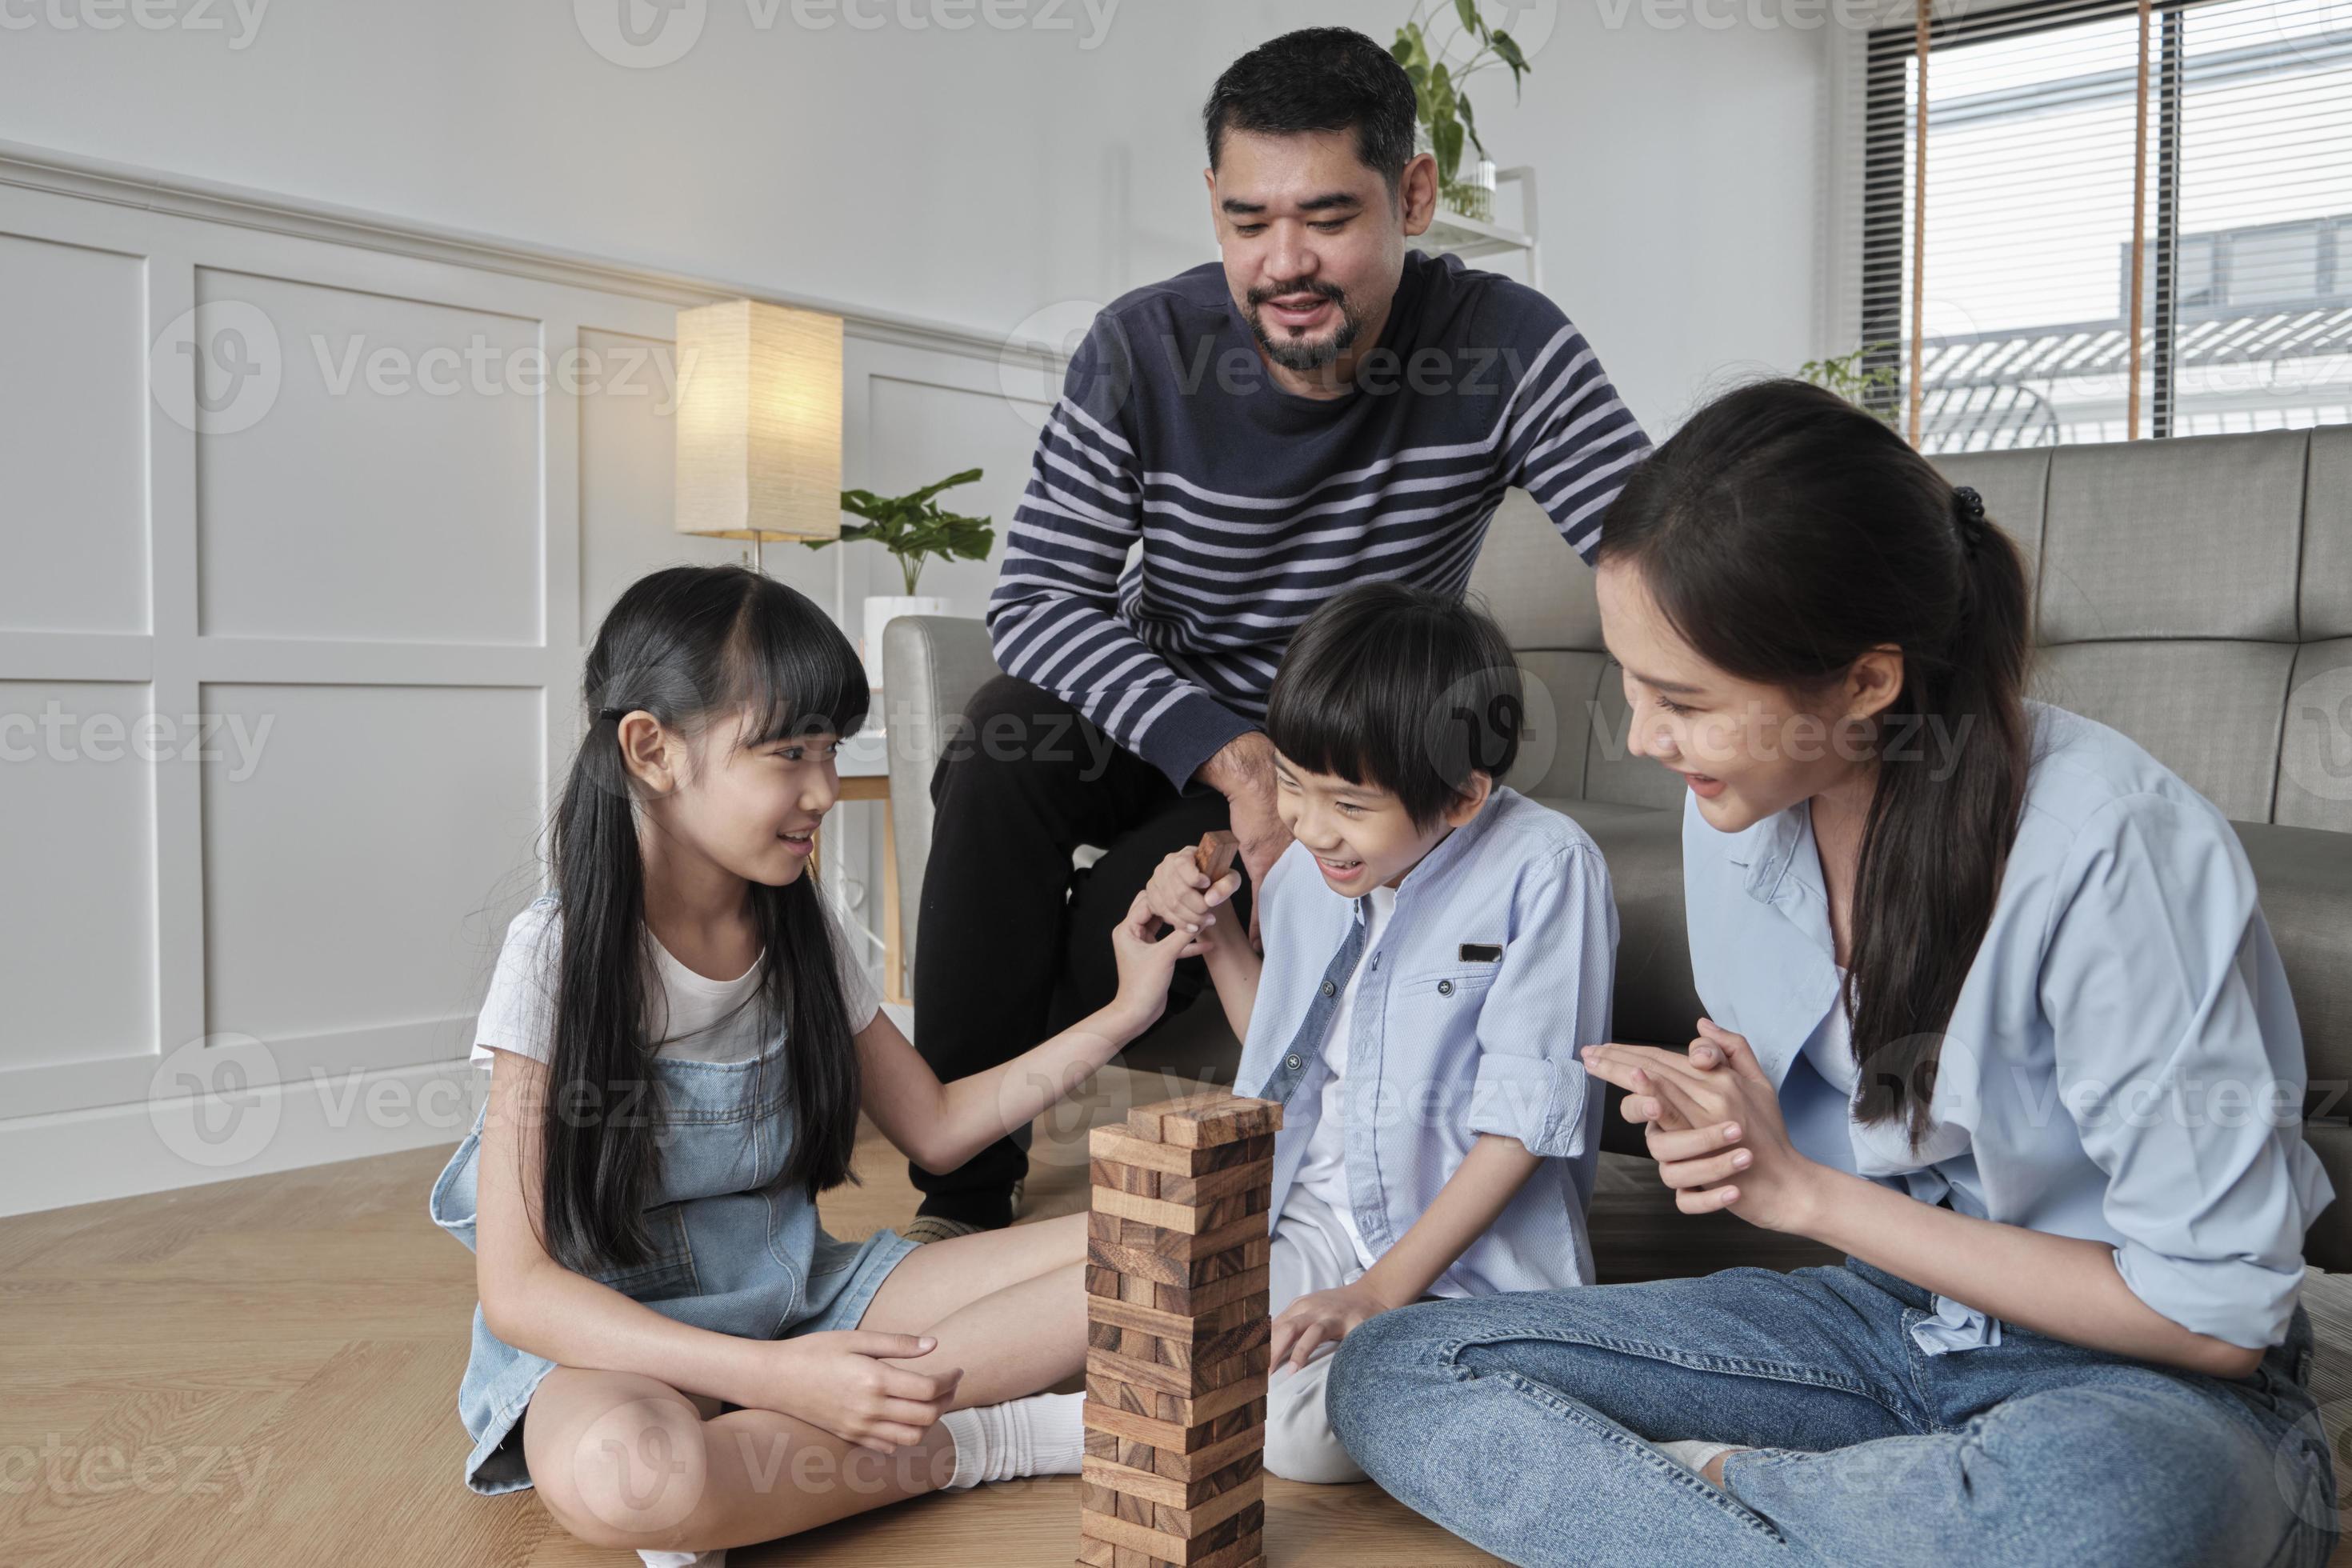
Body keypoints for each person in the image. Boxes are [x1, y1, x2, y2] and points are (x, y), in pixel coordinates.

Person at [1323, 380, 2340, 1566]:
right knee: (1400, 1364)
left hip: (2150, 1387)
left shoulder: (2112, 849)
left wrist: (1800, 1193)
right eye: (1635, 684)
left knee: (2107, 1521)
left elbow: (2213, 1319)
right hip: (1888, 1328)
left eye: (1685, 701)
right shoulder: (1738, 812)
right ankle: (1852, 1514)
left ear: (1866, 683)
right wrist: (1720, 1122)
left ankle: (1732, 1504)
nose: (1643, 738)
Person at [906, 25, 1649, 1242]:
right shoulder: (1143, 347)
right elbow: (1038, 601)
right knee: (1000, 742)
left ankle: (1005, 1081)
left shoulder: (1505, 346)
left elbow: (1649, 548)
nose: (1284, 262)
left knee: (1129, 926)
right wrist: (1230, 758)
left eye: (1328, 217)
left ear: (1415, 195)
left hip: (1330, 749)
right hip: (1170, 709)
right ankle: (959, 1197)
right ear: (1211, 205)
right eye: (1249, 221)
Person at [426, 565, 1206, 1566]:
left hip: (806, 1296)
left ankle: (760, 1475)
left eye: (830, 750)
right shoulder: (558, 956)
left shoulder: (797, 930)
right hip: (617, 1339)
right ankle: (987, 1439)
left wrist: (1127, 1006)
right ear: (651, 749)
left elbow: (935, 1123)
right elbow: (522, 1290)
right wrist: (776, 1379)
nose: (825, 790)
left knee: (1154, 1248)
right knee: (632, 1475)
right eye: (788, 751)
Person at [1142, 582, 1614, 1484]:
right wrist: (1215, 943)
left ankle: (1519, 1376)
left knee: (1296, 1441)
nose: (1311, 827)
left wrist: (1376, 1292)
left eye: (1349, 805)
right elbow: (1283, 1049)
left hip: (1460, 1253)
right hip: (1316, 1211)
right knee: (1179, 1339)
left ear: (1465, 795)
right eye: (1289, 783)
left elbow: (1521, 1126)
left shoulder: (1547, 870)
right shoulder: (1302, 872)